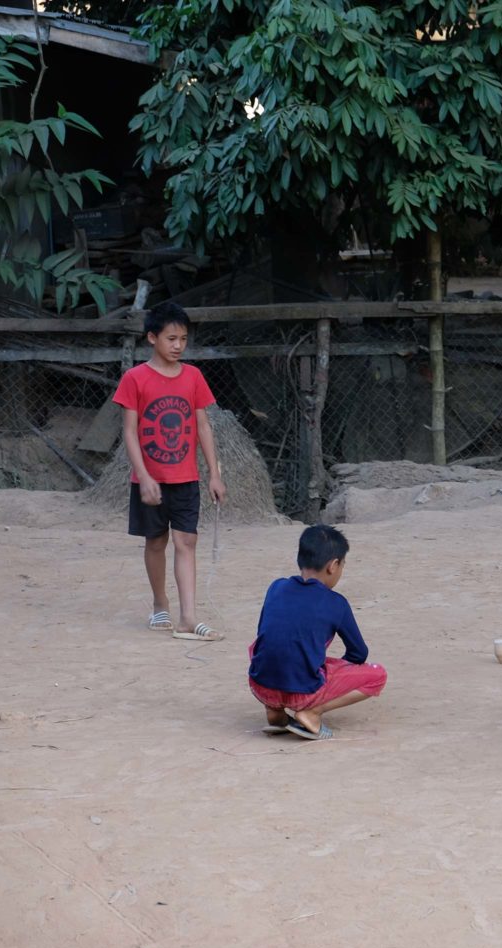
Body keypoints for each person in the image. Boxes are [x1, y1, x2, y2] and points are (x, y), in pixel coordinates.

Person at [112, 301, 226, 641]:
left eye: (183, 339)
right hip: (150, 480)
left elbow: (203, 426)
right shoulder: (135, 379)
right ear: (152, 338)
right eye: (171, 338)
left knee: (186, 541)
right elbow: (129, 432)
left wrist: (214, 473)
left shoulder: (193, 377)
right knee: (156, 541)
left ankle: (188, 616)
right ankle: (160, 603)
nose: (178, 345)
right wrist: (144, 476)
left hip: (186, 478)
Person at [248, 525, 388, 741]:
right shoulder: (336, 603)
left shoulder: (276, 587)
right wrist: (335, 669)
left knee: (267, 647)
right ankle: (312, 713)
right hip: (303, 691)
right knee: (377, 676)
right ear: (333, 566)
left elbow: (265, 634)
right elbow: (359, 653)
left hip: (260, 685)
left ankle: (274, 709)